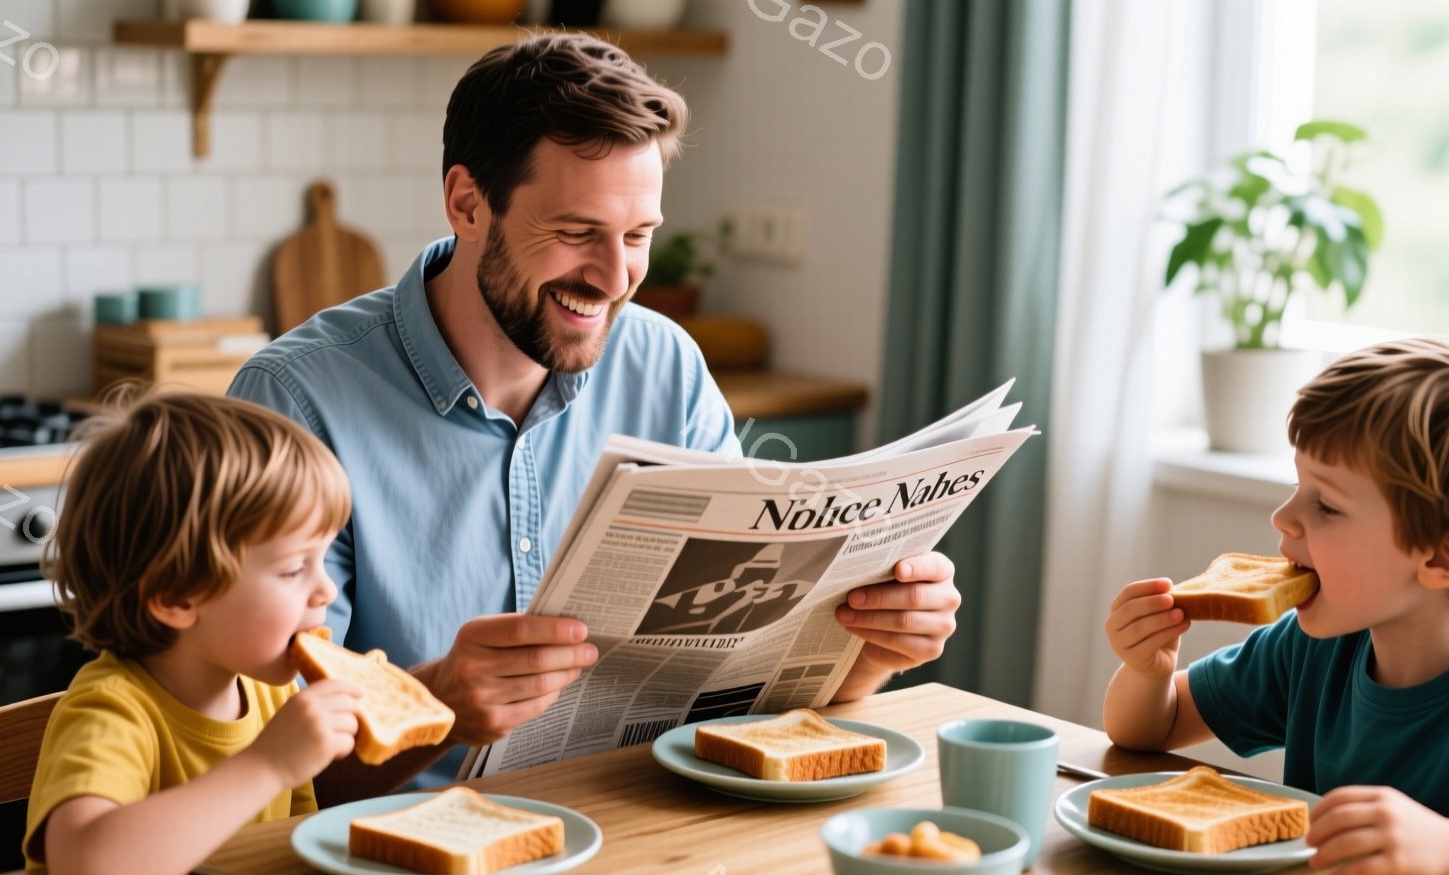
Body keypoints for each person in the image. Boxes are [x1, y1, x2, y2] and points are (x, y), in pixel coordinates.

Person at [228, 33, 962, 796]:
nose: (615, 279)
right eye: (577, 233)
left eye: (639, 236)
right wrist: (437, 706)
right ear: (467, 203)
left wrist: (866, 652)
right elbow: (255, 782)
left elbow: (740, 694)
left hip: (643, 833)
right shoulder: (295, 402)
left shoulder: (664, 365)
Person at [1102, 337, 1449, 875]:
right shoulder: (1315, 647)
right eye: (1297, 487)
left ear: (1441, 558)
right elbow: (1148, 731)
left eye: (1326, 505)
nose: (1283, 517)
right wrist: (1147, 672)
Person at [23, 391, 363, 875]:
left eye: (323, 559)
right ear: (178, 596)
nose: (326, 591)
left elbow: (288, 856)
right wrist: (269, 765)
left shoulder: (269, 698)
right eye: (295, 568)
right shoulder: (111, 711)